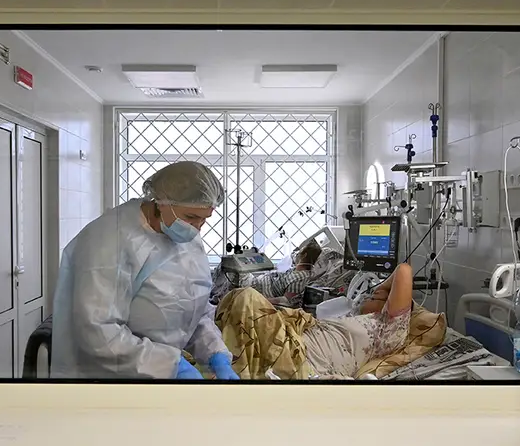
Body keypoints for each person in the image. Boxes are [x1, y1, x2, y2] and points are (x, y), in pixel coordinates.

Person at [51, 161, 239, 381]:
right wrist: (171, 366)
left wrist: (215, 352)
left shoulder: (184, 238)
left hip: (158, 375)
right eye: (191, 217)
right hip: (108, 379)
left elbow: (190, 309)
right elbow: (98, 333)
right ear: (161, 203)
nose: (197, 228)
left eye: (204, 220)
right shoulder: (112, 240)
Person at [216, 263, 417, 380]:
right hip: (289, 341)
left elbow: (404, 270)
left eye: (376, 298)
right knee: (233, 301)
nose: (371, 295)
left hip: (299, 360)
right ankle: (231, 365)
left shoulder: (388, 331)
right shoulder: (355, 320)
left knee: (246, 298)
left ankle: (235, 377)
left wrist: (382, 290)